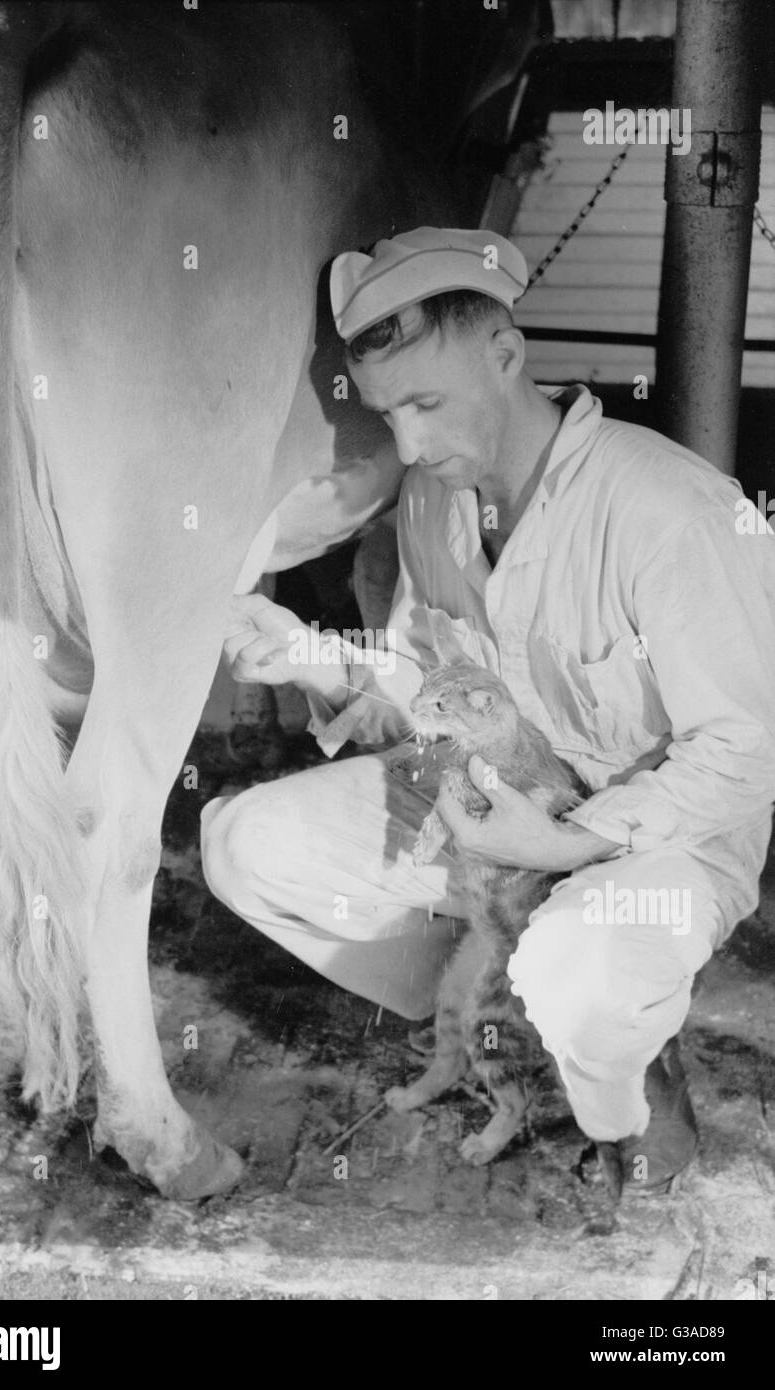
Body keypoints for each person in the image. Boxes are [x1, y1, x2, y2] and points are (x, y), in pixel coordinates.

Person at [201, 226, 775, 1198]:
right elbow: (423, 684)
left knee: (582, 974)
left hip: (649, 845)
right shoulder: (432, 501)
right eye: (389, 415)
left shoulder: (670, 510)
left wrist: (564, 841)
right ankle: (502, 1015)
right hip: (487, 823)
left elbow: (746, 751)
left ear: (507, 355)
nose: (411, 445)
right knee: (241, 844)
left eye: (426, 402)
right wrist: (309, 656)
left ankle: (621, 1056)